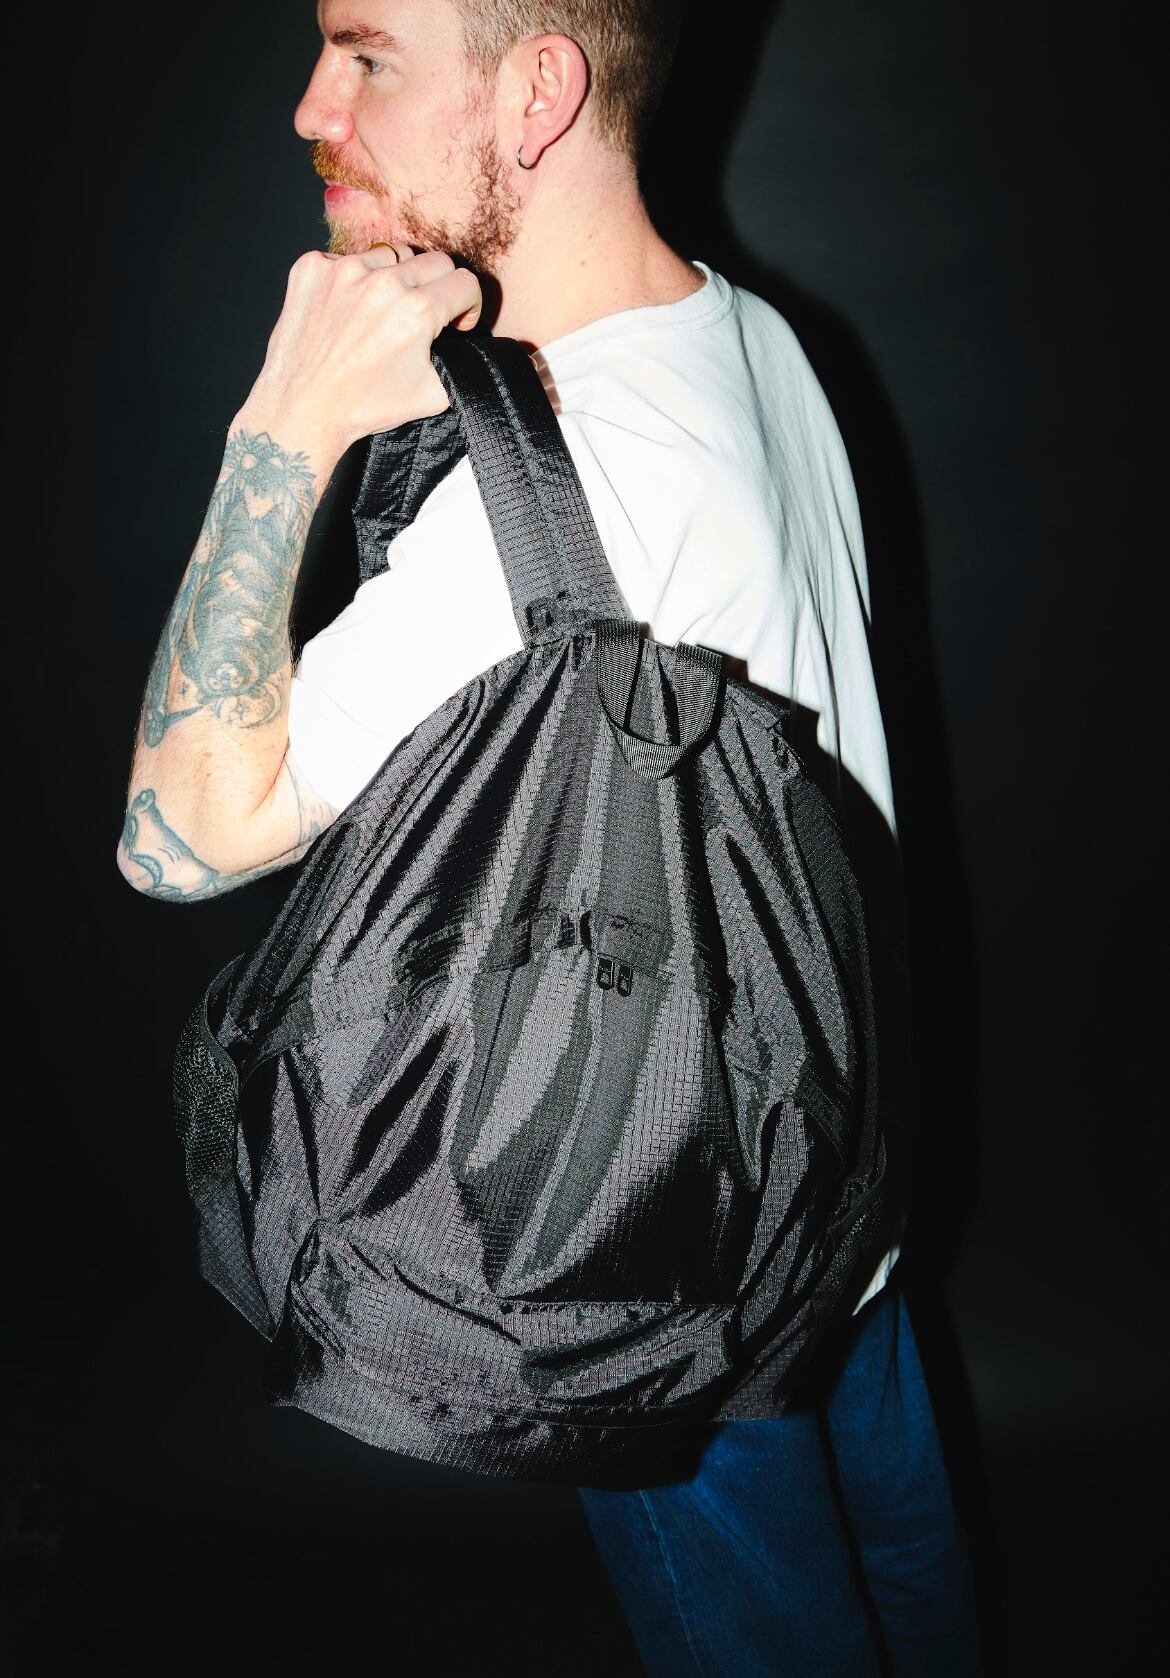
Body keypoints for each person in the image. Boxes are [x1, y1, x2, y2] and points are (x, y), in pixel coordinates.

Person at [117, 2, 983, 1671]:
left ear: (537, 90)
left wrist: (281, 425)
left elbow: (178, 838)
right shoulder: (745, 335)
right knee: (914, 1585)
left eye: (367, 55)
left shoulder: (567, 486)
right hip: (840, 1197)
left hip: (669, 1278)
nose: (310, 106)